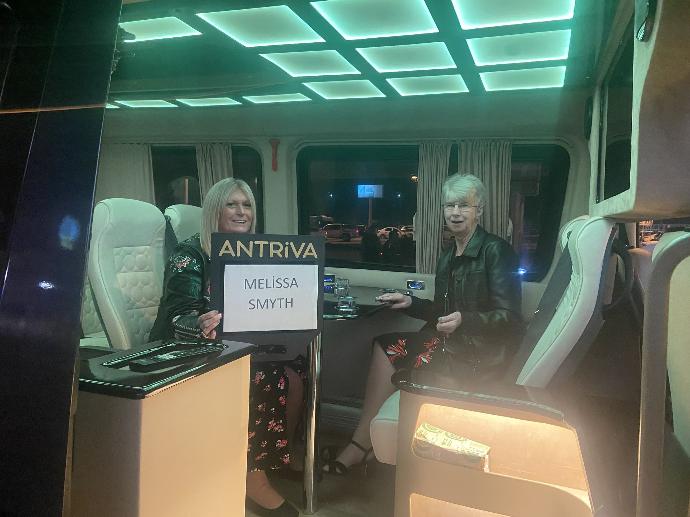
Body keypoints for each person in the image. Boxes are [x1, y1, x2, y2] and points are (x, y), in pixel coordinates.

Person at [323, 173, 523, 475]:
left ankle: (362, 446)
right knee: (385, 345)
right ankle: (365, 442)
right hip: (453, 344)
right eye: (450, 205)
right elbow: (443, 311)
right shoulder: (448, 255)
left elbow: (510, 319)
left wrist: (465, 321)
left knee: (389, 348)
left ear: (479, 210)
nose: (455, 213)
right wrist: (410, 302)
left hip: (478, 355)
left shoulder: (495, 251)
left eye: (464, 206)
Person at [150, 178, 301, 517]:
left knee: (295, 372)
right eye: (232, 204)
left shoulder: (253, 252)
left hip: (234, 344)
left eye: (246, 205)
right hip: (186, 345)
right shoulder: (190, 254)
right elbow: (178, 315)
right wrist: (200, 323)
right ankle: (253, 481)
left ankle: (267, 460)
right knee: (265, 376)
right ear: (214, 211)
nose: (241, 212)